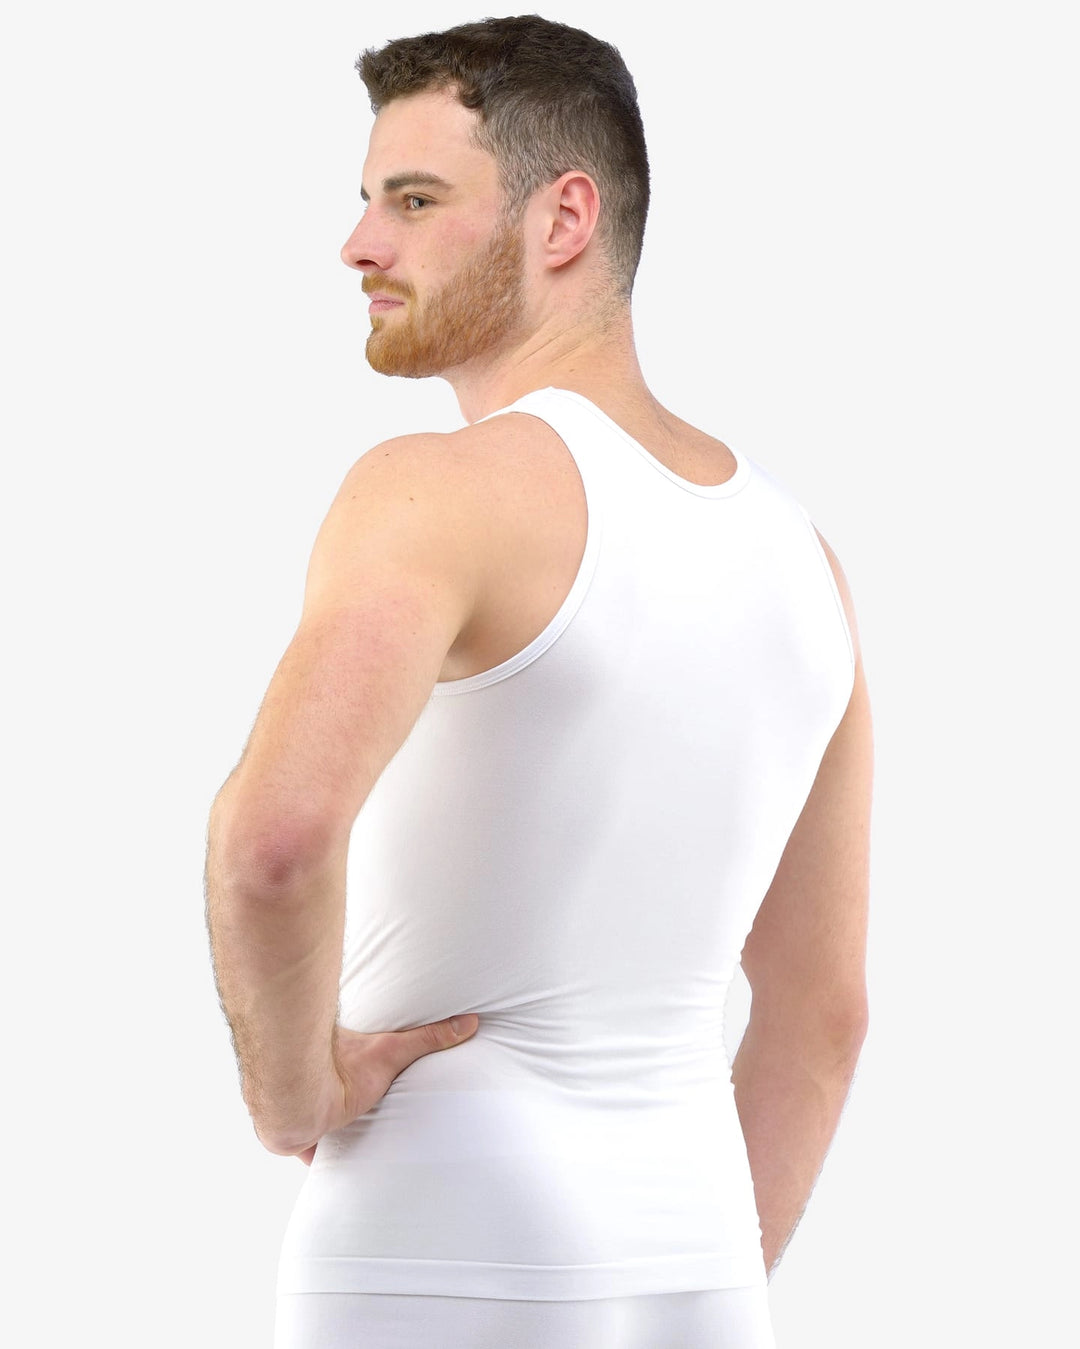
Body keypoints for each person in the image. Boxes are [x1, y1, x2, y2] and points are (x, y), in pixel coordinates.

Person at [204, 14, 873, 1349]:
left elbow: (272, 845)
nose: (359, 245)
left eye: (414, 201)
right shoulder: (804, 559)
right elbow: (824, 1011)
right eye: (367, 200)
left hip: (439, 1231)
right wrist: (702, 1263)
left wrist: (293, 1099)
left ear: (564, 217)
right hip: (697, 1261)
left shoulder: (432, 492)